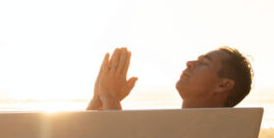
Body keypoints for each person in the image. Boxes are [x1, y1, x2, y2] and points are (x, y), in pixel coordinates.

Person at [86, 46, 253, 111]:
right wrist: (99, 100)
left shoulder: (208, 136)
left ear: (223, 85)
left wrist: (110, 97)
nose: (190, 63)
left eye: (204, 63)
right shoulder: (176, 131)